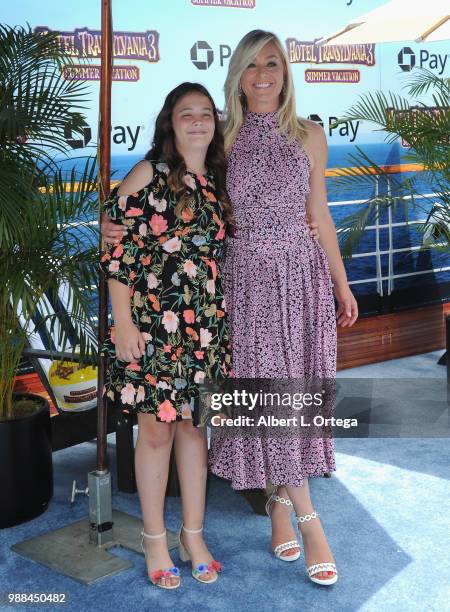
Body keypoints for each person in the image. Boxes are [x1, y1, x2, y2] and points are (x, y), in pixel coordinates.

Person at [206, 30, 358, 586]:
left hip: (302, 279)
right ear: (238, 76)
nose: (263, 74)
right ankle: (309, 517)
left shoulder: (311, 135)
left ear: (286, 71)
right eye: (251, 65)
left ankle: (276, 502)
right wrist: (116, 215)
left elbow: (319, 215)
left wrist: (341, 285)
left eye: (273, 63)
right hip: (245, 283)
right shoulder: (220, 140)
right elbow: (178, 189)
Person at [99, 82, 233, 589]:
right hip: (154, 326)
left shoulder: (218, 178)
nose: (197, 121)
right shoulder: (148, 173)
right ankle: (155, 538)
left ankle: (192, 534)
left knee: (195, 430)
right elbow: (117, 250)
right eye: (186, 114)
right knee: (155, 431)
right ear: (169, 122)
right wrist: (124, 324)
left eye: (205, 113)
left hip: (206, 329)